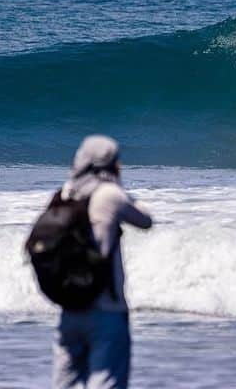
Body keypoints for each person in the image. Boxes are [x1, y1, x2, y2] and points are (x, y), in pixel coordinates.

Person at [52, 135, 153, 389]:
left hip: (70, 311)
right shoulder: (110, 194)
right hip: (106, 311)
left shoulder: (65, 194)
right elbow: (146, 220)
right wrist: (123, 191)